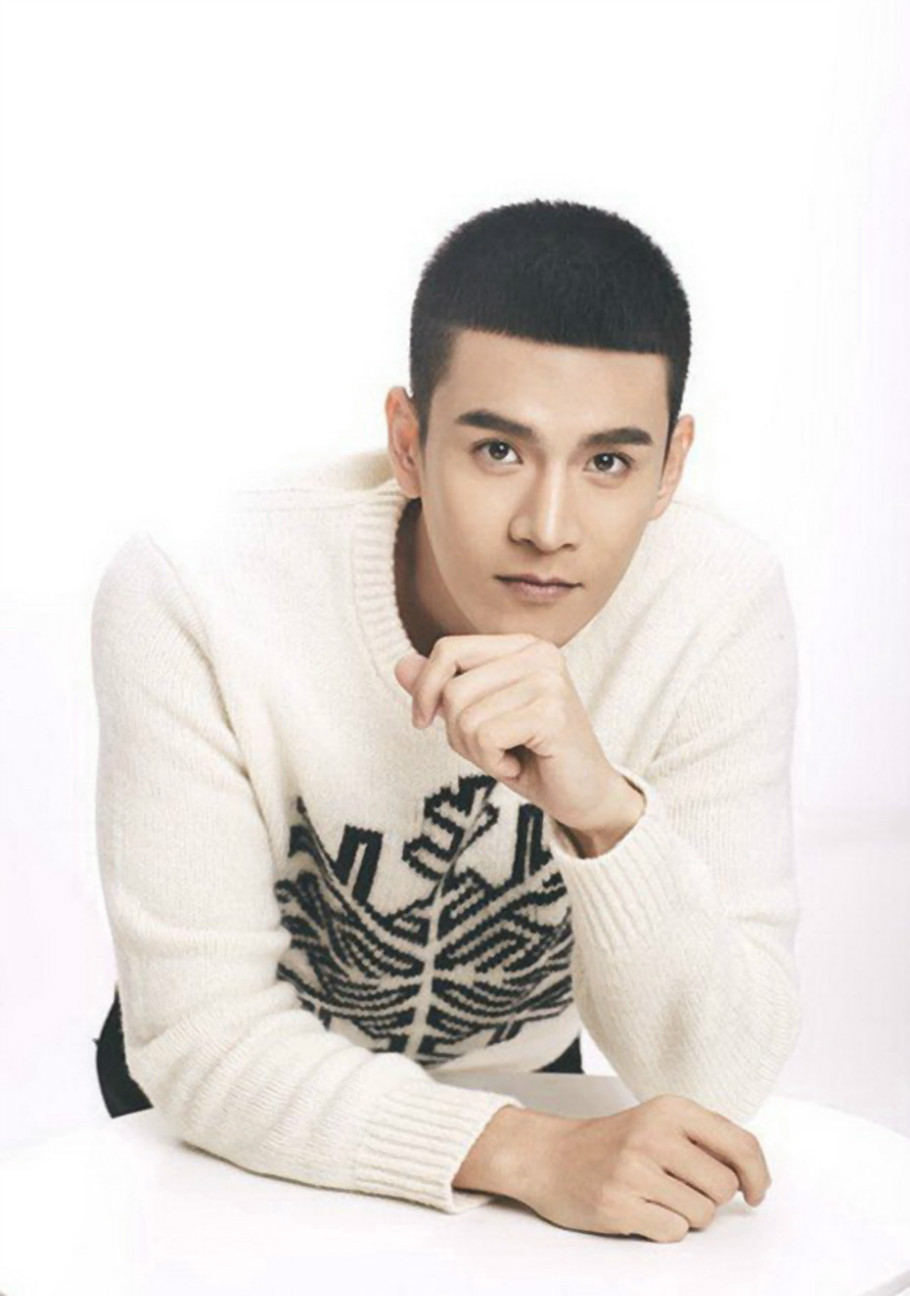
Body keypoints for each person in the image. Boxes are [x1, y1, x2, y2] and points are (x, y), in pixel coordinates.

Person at [91, 198, 800, 1222]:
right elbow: (201, 1034)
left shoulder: (716, 604)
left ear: (670, 468)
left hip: (522, 1087)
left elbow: (718, 1074)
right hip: (228, 1120)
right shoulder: (199, 589)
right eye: (498, 451)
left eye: (608, 462)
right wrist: (526, 1154)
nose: (548, 527)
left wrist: (603, 812)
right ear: (409, 442)